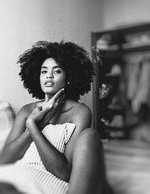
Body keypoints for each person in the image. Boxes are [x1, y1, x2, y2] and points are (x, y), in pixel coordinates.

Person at [0, 40, 96, 194]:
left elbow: (64, 172)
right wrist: (33, 122)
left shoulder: (79, 112)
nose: (49, 76)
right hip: (14, 177)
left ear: (69, 77)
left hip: (45, 184)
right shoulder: (26, 111)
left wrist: (34, 125)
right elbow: (4, 159)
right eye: (44, 71)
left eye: (57, 71)